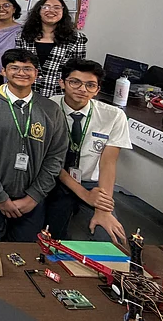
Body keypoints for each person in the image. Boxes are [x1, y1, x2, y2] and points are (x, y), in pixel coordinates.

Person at [0, 48, 68, 242]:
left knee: (26, 253)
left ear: (36, 74)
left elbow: (56, 156)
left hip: (31, 198)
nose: (21, 73)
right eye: (14, 67)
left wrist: (34, 196)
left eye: (28, 68)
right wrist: (0, 197)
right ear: (4, 72)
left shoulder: (50, 110)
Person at [45, 59, 131, 245]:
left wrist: (103, 208)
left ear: (98, 89)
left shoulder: (114, 116)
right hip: (52, 178)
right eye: (75, 82)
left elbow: (108, 164)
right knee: (53, 237)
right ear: (62, 83)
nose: (82, 89)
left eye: (90, 85)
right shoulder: (47, 108)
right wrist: (84, 195)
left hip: (93, 183)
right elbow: (50, 161)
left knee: (111, 238)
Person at [16, 0, 87, 97]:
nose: (51, 10)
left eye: (57, 7)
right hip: (27, 91)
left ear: (63, 12)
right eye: (46, 7)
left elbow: (78, 70)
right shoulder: (24, 35)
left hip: (59, 93)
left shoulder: (76, 38)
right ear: (38, 11)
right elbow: (19, 64)